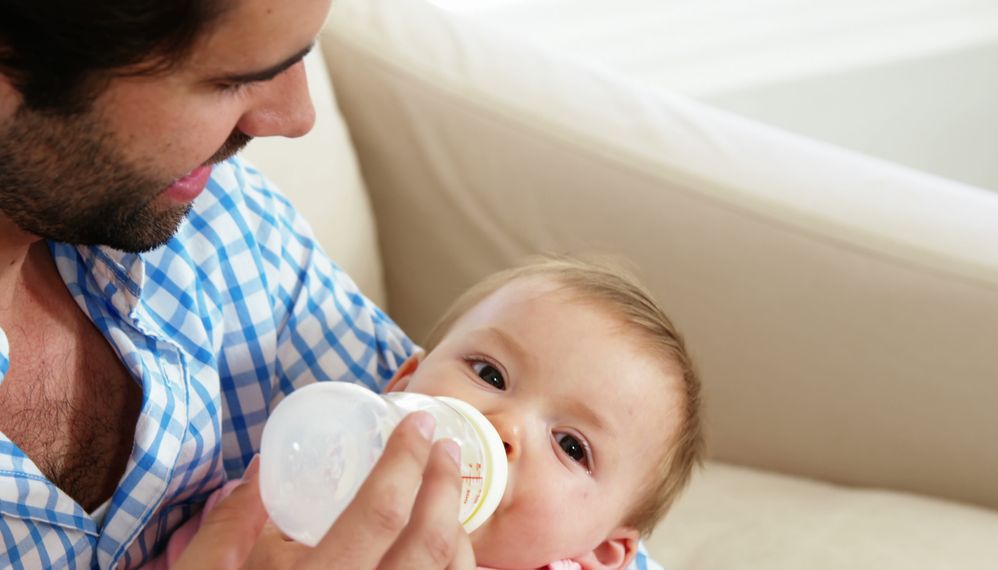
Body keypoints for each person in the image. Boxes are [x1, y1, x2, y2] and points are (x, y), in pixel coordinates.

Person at [0, 0, 670, 567]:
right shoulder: (274, 509)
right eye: (232, 78)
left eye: (571, 446)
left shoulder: (209, 215)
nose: (296, 116)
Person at [144, 258, 704, 570]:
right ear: (403, 384)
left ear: (604, 554)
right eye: (489, 374)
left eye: (571, 446)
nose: (504, 427)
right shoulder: (289, 500)